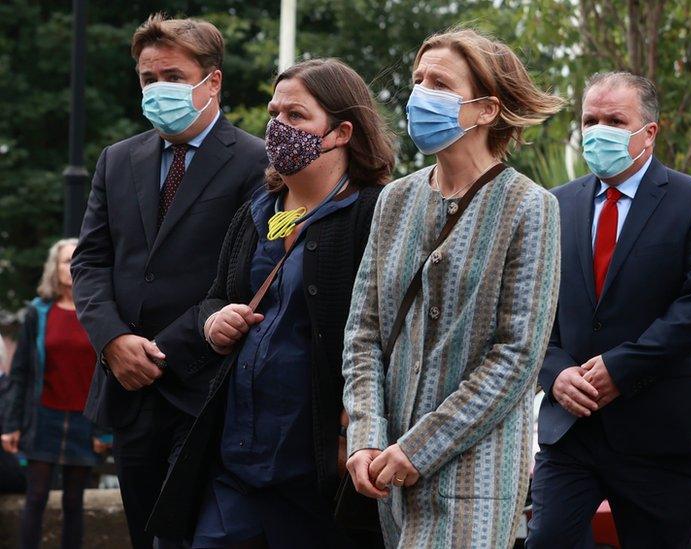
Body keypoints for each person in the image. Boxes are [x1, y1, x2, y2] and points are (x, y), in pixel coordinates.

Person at [147, 58, 395, 548]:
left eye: (297, 116)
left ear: (343, 131)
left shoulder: (374, 214)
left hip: (316, 468)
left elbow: (386, 332)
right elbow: (220, 293)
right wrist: (214, 320)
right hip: (235, 460)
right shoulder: (257, 211)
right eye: (274, 113)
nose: (279, 127)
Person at [342, 28, 562, 548]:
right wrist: (365, 437)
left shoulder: (530, 207)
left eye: (438, 82)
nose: (420, 93)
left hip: (476, 478)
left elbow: (517, 357)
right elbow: (363, 332)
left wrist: (419, 447)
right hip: (388, 474)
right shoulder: (394, 200)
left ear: (485, 109)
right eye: (418, 79)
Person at [70, 13, 267, 549]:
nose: (158, 89)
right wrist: (112, 340)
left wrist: (160, 349)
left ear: (213, 80)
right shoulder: (117, 160)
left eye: (173, 77)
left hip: (204, 385)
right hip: (127, 386)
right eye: (148, 79)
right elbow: (89, 262)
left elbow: (248, 271)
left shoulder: (256, 161)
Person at [526, 71, 691, 548]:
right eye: (590, 120)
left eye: (615, 120)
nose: (599, 131)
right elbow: (532, 308)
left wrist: (619, 369)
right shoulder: (554, 205)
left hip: (656, 434)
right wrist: (554, 373)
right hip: (570, 429)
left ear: (650, 132)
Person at [1, 239, 110, 549]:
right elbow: (19, 372)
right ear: (55, 268)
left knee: (74, 502)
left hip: (83, 421)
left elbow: (108, 372)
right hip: (42, 418)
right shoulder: (37, 313)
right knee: (35, 497)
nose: (71, 266)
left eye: (77, 259)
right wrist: (11, 424)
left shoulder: (98, 312)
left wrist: (104, 428)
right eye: (65, 261)